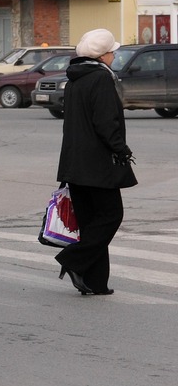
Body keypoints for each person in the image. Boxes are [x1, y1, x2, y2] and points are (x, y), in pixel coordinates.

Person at [55, 28, 137, 296]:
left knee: (91, 223)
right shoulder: (101, 79)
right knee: (111, 215)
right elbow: (106, 122)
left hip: (75, 162)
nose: (114, 55)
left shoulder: (76, 79)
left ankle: (95, 281)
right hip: (98, 163)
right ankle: (73, 259)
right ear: (103, 55)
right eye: (112, 51)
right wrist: (121, 149)